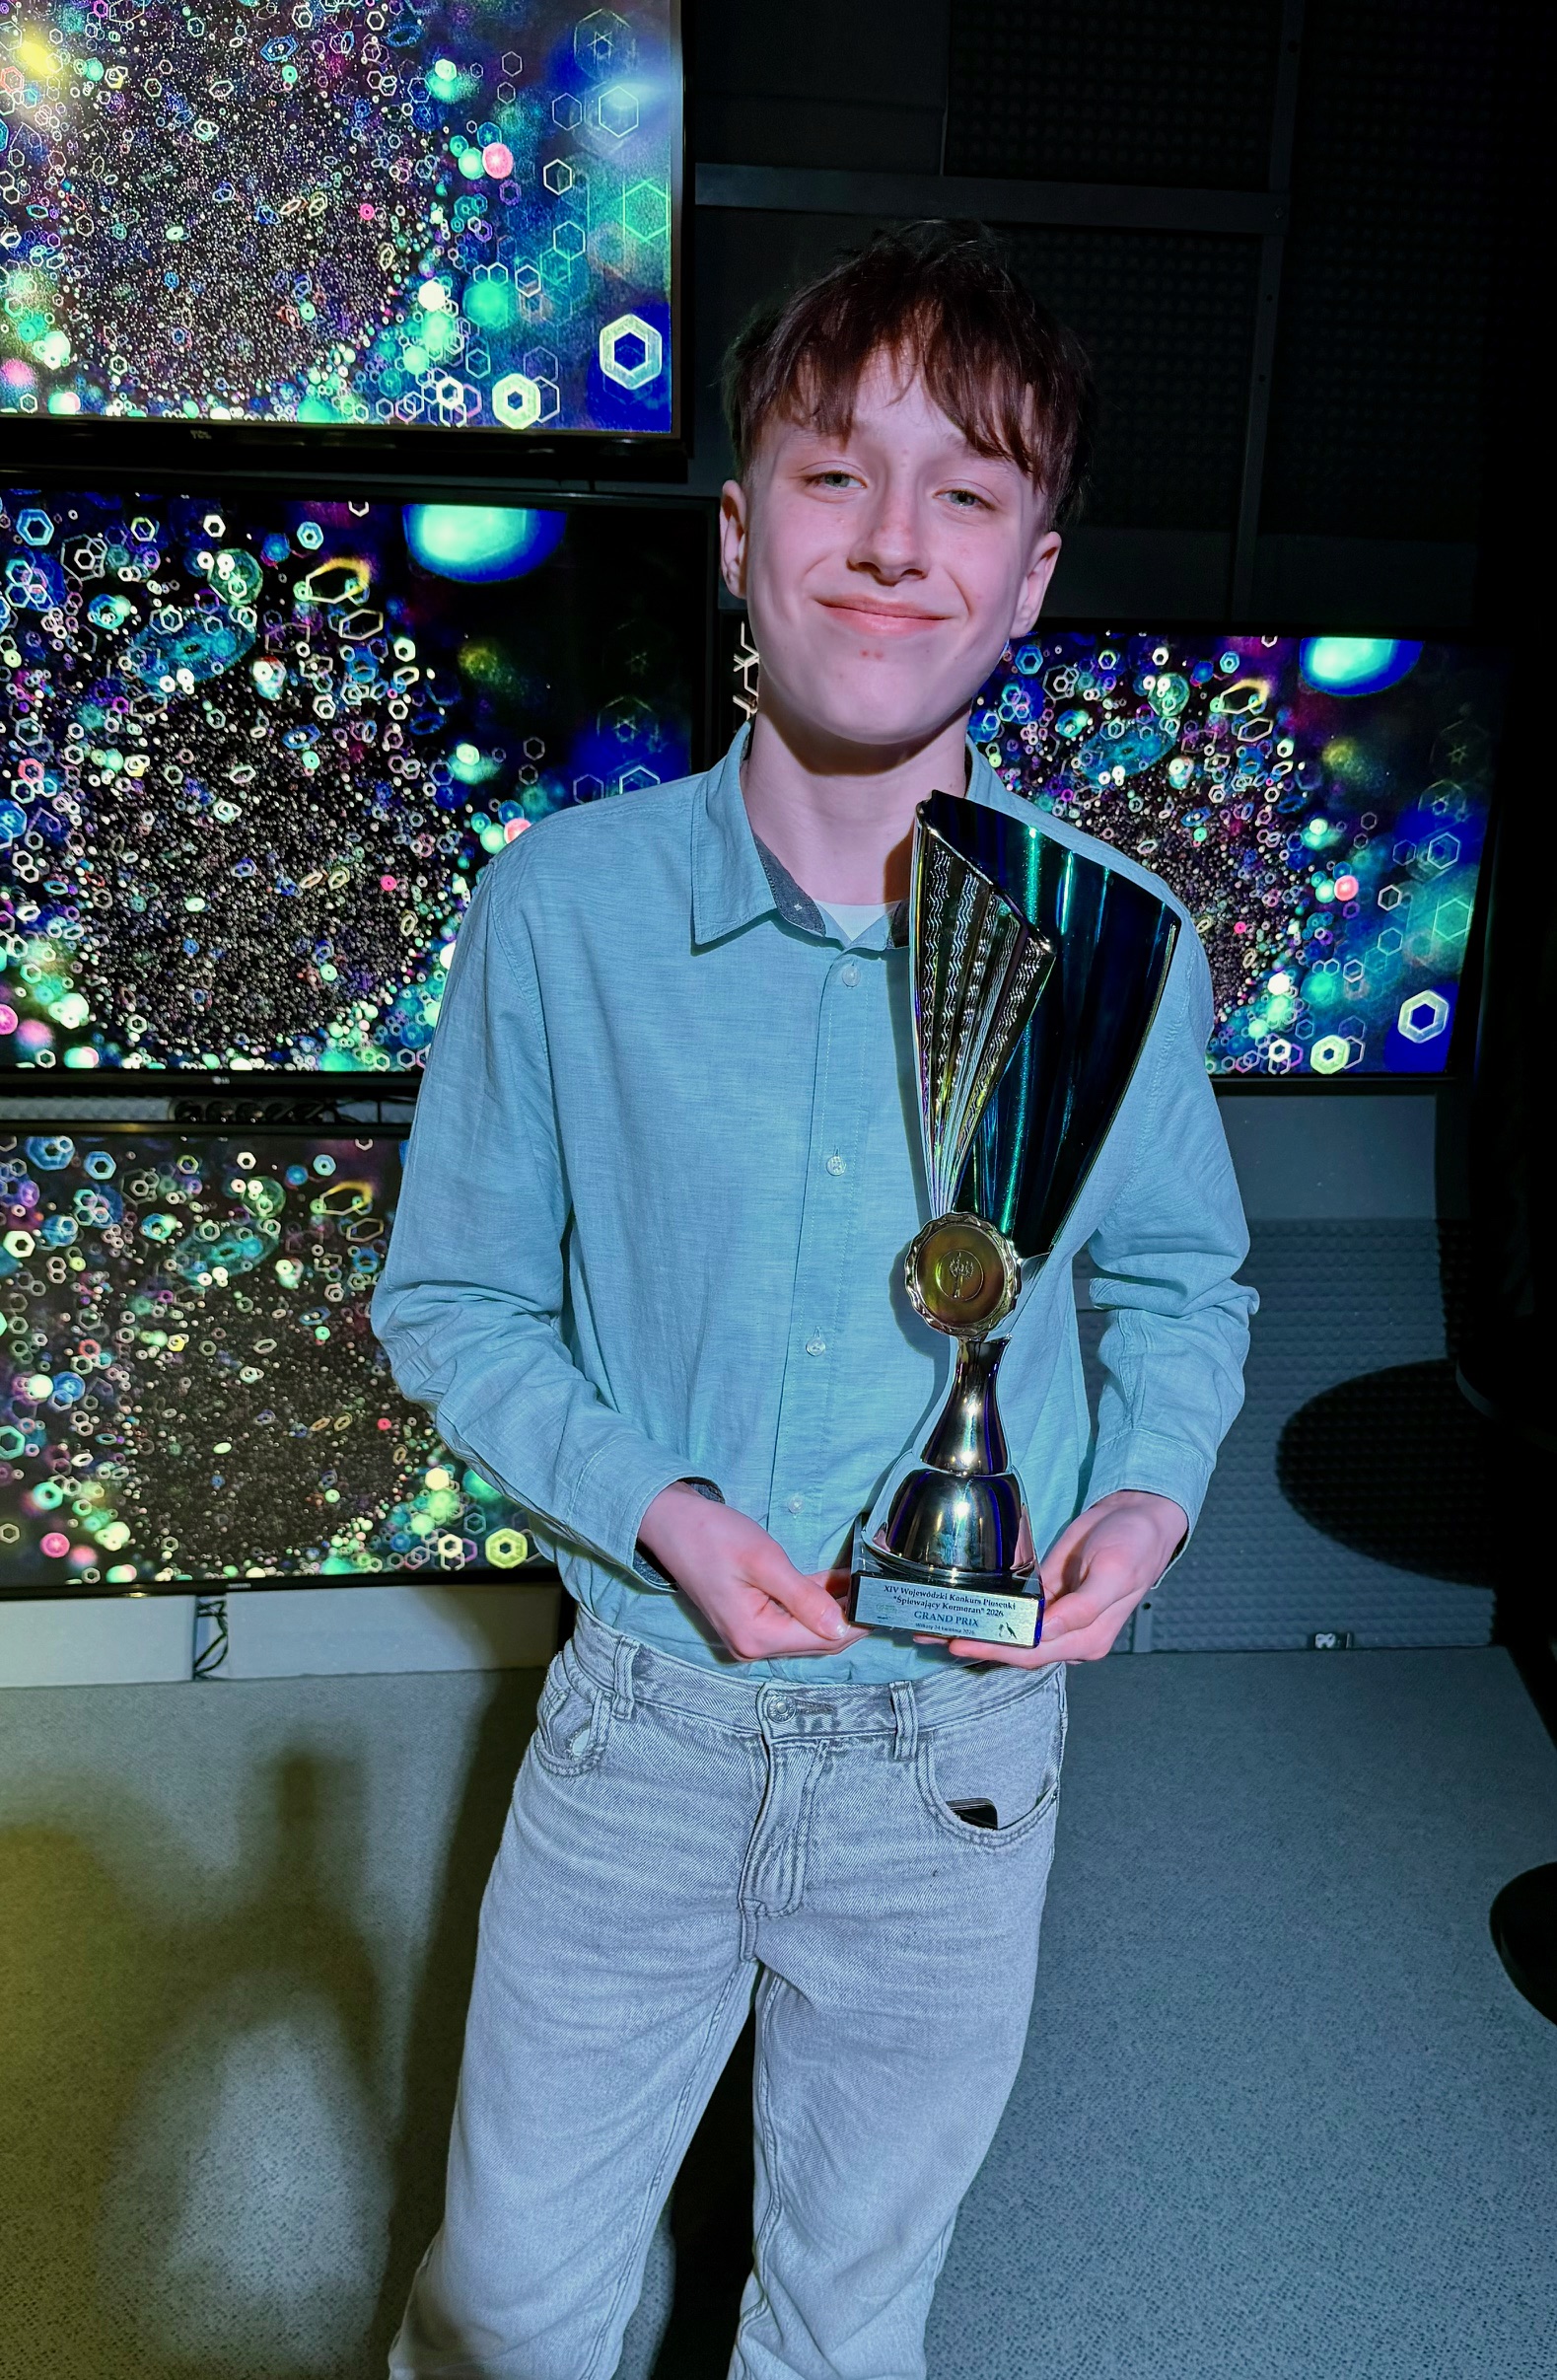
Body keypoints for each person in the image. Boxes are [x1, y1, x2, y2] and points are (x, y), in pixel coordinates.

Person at [374, 222, 1255, 2380]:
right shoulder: (560, 914)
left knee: (850, 2325)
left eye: (966, 490)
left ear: (1030, 580)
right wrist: (654, 1506)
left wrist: (1146, 1497)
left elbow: (1181, 1279)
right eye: (834, 472)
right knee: (506, 2304)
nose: (891, 538)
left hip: (957, 1761)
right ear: (738, 535)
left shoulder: (1112, 942)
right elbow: (455, 1301)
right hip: (643, 1724)